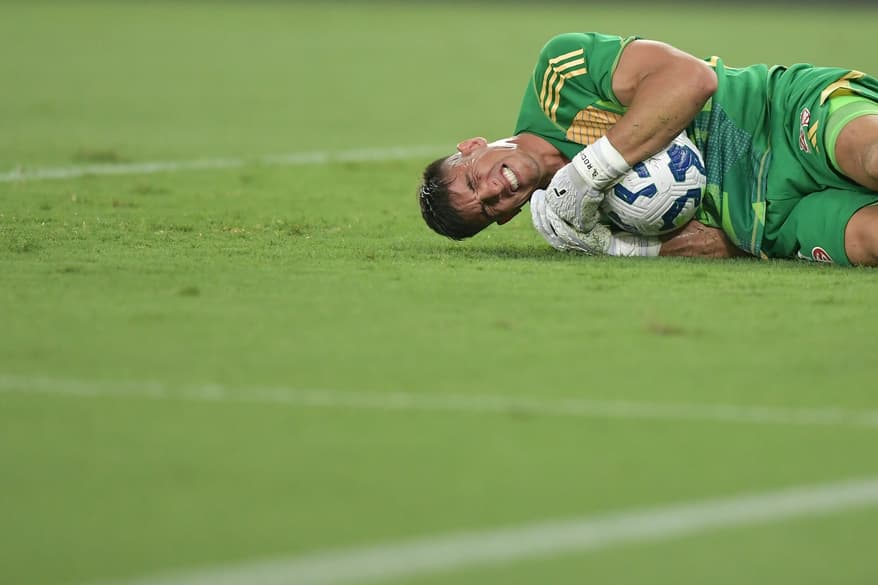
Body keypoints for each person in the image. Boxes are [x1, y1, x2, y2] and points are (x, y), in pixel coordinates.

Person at [417, 32, 878, 265]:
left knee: (870, 156)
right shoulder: (575, 224)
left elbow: (693, 78)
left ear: (473, 145)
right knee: (870, 241)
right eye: (489, 206)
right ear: (505, 217)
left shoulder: (558, 75)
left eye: (474, 179)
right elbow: (714, 244)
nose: (495, 189)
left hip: (775, 114)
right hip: (769, 222)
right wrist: (619, 248)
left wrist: (587, 173)